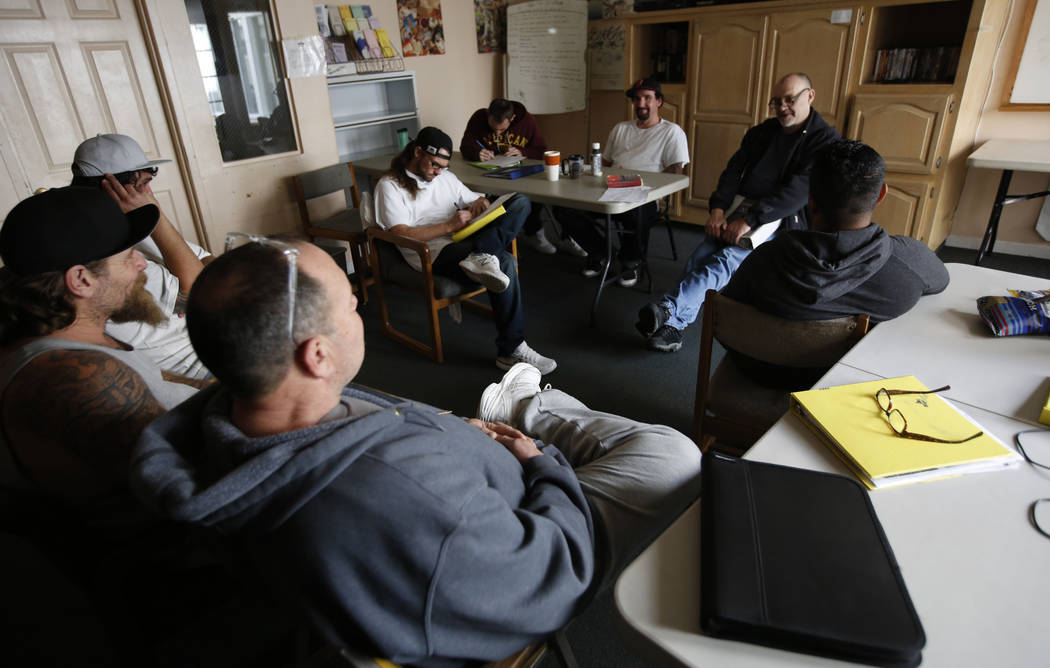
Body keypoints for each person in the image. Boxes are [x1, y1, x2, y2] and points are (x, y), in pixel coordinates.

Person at [129, 237, 702, 667]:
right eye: (350, 304)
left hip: (459, 479)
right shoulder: (399, 498)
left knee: (545, 428)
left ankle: (524, 406)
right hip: (539, 530)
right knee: (673, 453)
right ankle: (529, 406)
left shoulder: (233, 414)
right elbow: (549, 579)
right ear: (318, 356)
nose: (359, 306)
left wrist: (452, 434)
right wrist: (540, 467)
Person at [0, 186, 197, 510]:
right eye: (128, 257)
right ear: (81, 280)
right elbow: (190, 493)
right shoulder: (79, 380)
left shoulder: (69, 333)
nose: (141, 264)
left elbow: (154, 383)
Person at [721, 139, 949, 388]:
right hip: (835, 387)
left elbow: (726, 319)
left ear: (810, 199)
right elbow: (942, 279)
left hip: (756, 373)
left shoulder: (763, 260)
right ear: (881, 194)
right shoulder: (906, 264)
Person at [636, 72, 840, 352]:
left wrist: (750, 220)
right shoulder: (763, 131)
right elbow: (733, 171)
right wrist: (718, 209)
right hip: (743, 207)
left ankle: (670, 311)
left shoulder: (824, 139)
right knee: (701, 255)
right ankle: (674, 324)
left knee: (727, 259)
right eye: (776, 101)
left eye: (790, 99)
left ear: (810, 96)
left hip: (781, 219)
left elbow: (798, 191)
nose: (782, 107)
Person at [374, 126, 557, 374]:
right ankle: (511, 350)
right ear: (417, 152)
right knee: (504, 261)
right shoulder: (390, 185)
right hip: (431, 252)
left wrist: (480, 202)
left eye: (443, 167)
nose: (438, 172)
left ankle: (482, 254)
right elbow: (400, 234)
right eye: (435, 165)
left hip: (463, 239)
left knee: (520, 202)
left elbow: (474, 198)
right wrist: (449, 225)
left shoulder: (445, 177)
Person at [71, 133, 212, 379]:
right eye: (143, 184)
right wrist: (156, 214)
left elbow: (209, 260)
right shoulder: (106, 251)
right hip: (203, 366)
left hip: (220, 331)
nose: (150, 193)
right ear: (113, 187)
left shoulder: (130, 222)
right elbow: (203, 288)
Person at [559, 78, 689, 288]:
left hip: (646, 194)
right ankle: (600, 252)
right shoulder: (621, 128)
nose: (641, 103)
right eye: (637, 99)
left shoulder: (672, 132)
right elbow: (604, 163)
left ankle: (630, 261)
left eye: (647, 98)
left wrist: (643, 185)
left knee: (635, 212)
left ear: (659, 101)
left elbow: (675, 173)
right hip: (609, 188)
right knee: (564, 207)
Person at [460, 98, 586, 258]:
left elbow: (541, 150)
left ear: (512, 119)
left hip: (522, 175)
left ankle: (534, 232)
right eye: (493, 128)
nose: (497, 133)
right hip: (488, 175)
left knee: (533, 195)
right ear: (488, 115)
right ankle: (501, 239)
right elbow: (465, 146)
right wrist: (476, 152)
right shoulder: (479, 118)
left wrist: (523, 152)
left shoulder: (527, 121)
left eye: (502, 129)